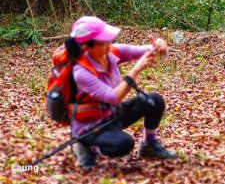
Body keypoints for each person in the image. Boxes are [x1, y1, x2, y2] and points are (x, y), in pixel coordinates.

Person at [65, 16, 177, 170]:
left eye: (109, 40)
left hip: (112, 114)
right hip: (91, 126)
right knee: (124, 144)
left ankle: (149, 145)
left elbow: (143, 51)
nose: (109, 45)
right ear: (86, 47)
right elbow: (114, 97)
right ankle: (85, 146)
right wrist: (136, 70)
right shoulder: (81, 72)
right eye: (104, 42)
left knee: (154, 100)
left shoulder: (111, 52)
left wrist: (159, 48)